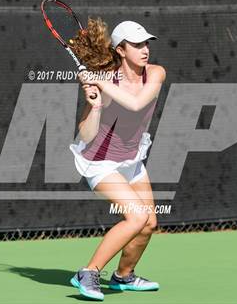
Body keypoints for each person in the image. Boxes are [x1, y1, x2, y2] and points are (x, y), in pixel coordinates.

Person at [68, 19, 166, 301]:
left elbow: (136, 103)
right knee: (136, 216)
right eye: (136, 45)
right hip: (99, 161)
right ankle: (88, 272)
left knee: (149, 225)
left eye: (146, 43)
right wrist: (95, 104)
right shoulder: (105, 80)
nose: (144, 49)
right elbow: (86, 135)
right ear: (121, 50)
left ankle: (123, 276)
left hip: (131, 157)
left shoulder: (156, 73)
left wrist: (99, 81)